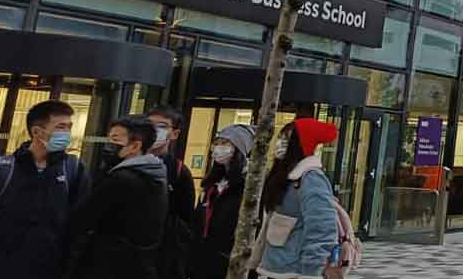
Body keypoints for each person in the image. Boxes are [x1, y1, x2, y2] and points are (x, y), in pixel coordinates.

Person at [0, 100, 90, 279]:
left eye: (69, 127)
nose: (67, 133)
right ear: (37, 131)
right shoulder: (3, 168)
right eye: (61, 127)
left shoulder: (74, 169)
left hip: (51, 268)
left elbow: (80, 225)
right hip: (2, 267)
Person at [67, 114, 169, 279]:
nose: (109, 145)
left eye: (115, 140)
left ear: (135, 146)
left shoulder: (121, 179)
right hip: (138, 266)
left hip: (110, 266)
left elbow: (84, 218)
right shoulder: (155, 174)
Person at [252, 118, 341, 279]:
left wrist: (310, 272)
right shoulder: (285, 177)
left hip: (295, 272)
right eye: (280, 138)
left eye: (286, 139)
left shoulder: (311, 179)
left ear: (299, 144)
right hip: (275, 268)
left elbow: (322, 229)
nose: (280, 143)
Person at [188, 125, 254, 279]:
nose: (218, 148)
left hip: (228, 259)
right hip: (202, 258)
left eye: (225, 143)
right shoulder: (212, 182)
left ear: (238, 149)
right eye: (216, 143)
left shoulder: (248, 185)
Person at [146, 107, 196, 279]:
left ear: (174, 134)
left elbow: (186, 218)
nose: (154, 130)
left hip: (162, 253)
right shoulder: (127, 162)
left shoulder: (179, 171)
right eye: (149, 125)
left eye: (162, 126)